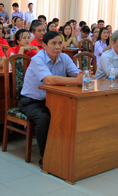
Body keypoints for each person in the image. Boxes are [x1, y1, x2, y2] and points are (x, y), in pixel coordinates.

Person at [19, 31, 84, 169]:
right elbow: (49, 80)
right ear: (44, 45)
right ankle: (47, 157)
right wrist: (76, 81)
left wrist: (83, 76)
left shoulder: (64, 57)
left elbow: (76, 73)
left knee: (71, 114)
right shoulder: (38, 59)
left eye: (60, 43)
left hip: (54, 99)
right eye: (53, 43)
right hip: (31, 101)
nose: (57, 47)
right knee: (45, 119)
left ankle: (66, 152)